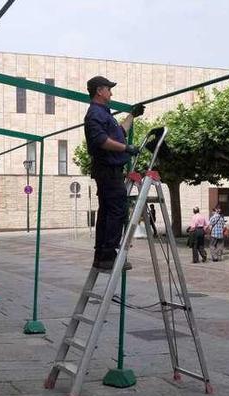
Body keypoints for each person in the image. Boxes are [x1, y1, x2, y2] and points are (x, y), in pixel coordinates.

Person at [84, 75, 145, 271]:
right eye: (108, 89)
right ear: (99, 91)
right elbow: (101, 141)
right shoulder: (95, 114)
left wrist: (132, 116)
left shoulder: (104, 114)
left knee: (107, 212)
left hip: (110, 171)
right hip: (108, 171)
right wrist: (126, 149)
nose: (111, 92)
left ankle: (101, 255)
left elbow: (120, 132)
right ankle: (108, 255)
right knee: (116, 211)